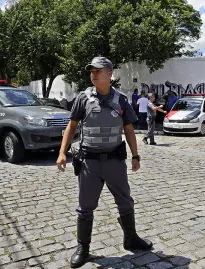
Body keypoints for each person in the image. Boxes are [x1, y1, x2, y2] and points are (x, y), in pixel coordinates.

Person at [56, 57, 152, 268]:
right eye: (91, 70)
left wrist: (135, 156)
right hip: (89, 162)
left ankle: (131, 238)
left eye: (98, 70)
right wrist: (62, 152)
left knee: (125, 201)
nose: (93, 74)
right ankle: (83, 248)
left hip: (114, 162)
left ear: (109, 74)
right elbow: (71, 127)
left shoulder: (121, 100)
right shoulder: (83, 98)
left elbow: (129, 129)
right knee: (85, 207)